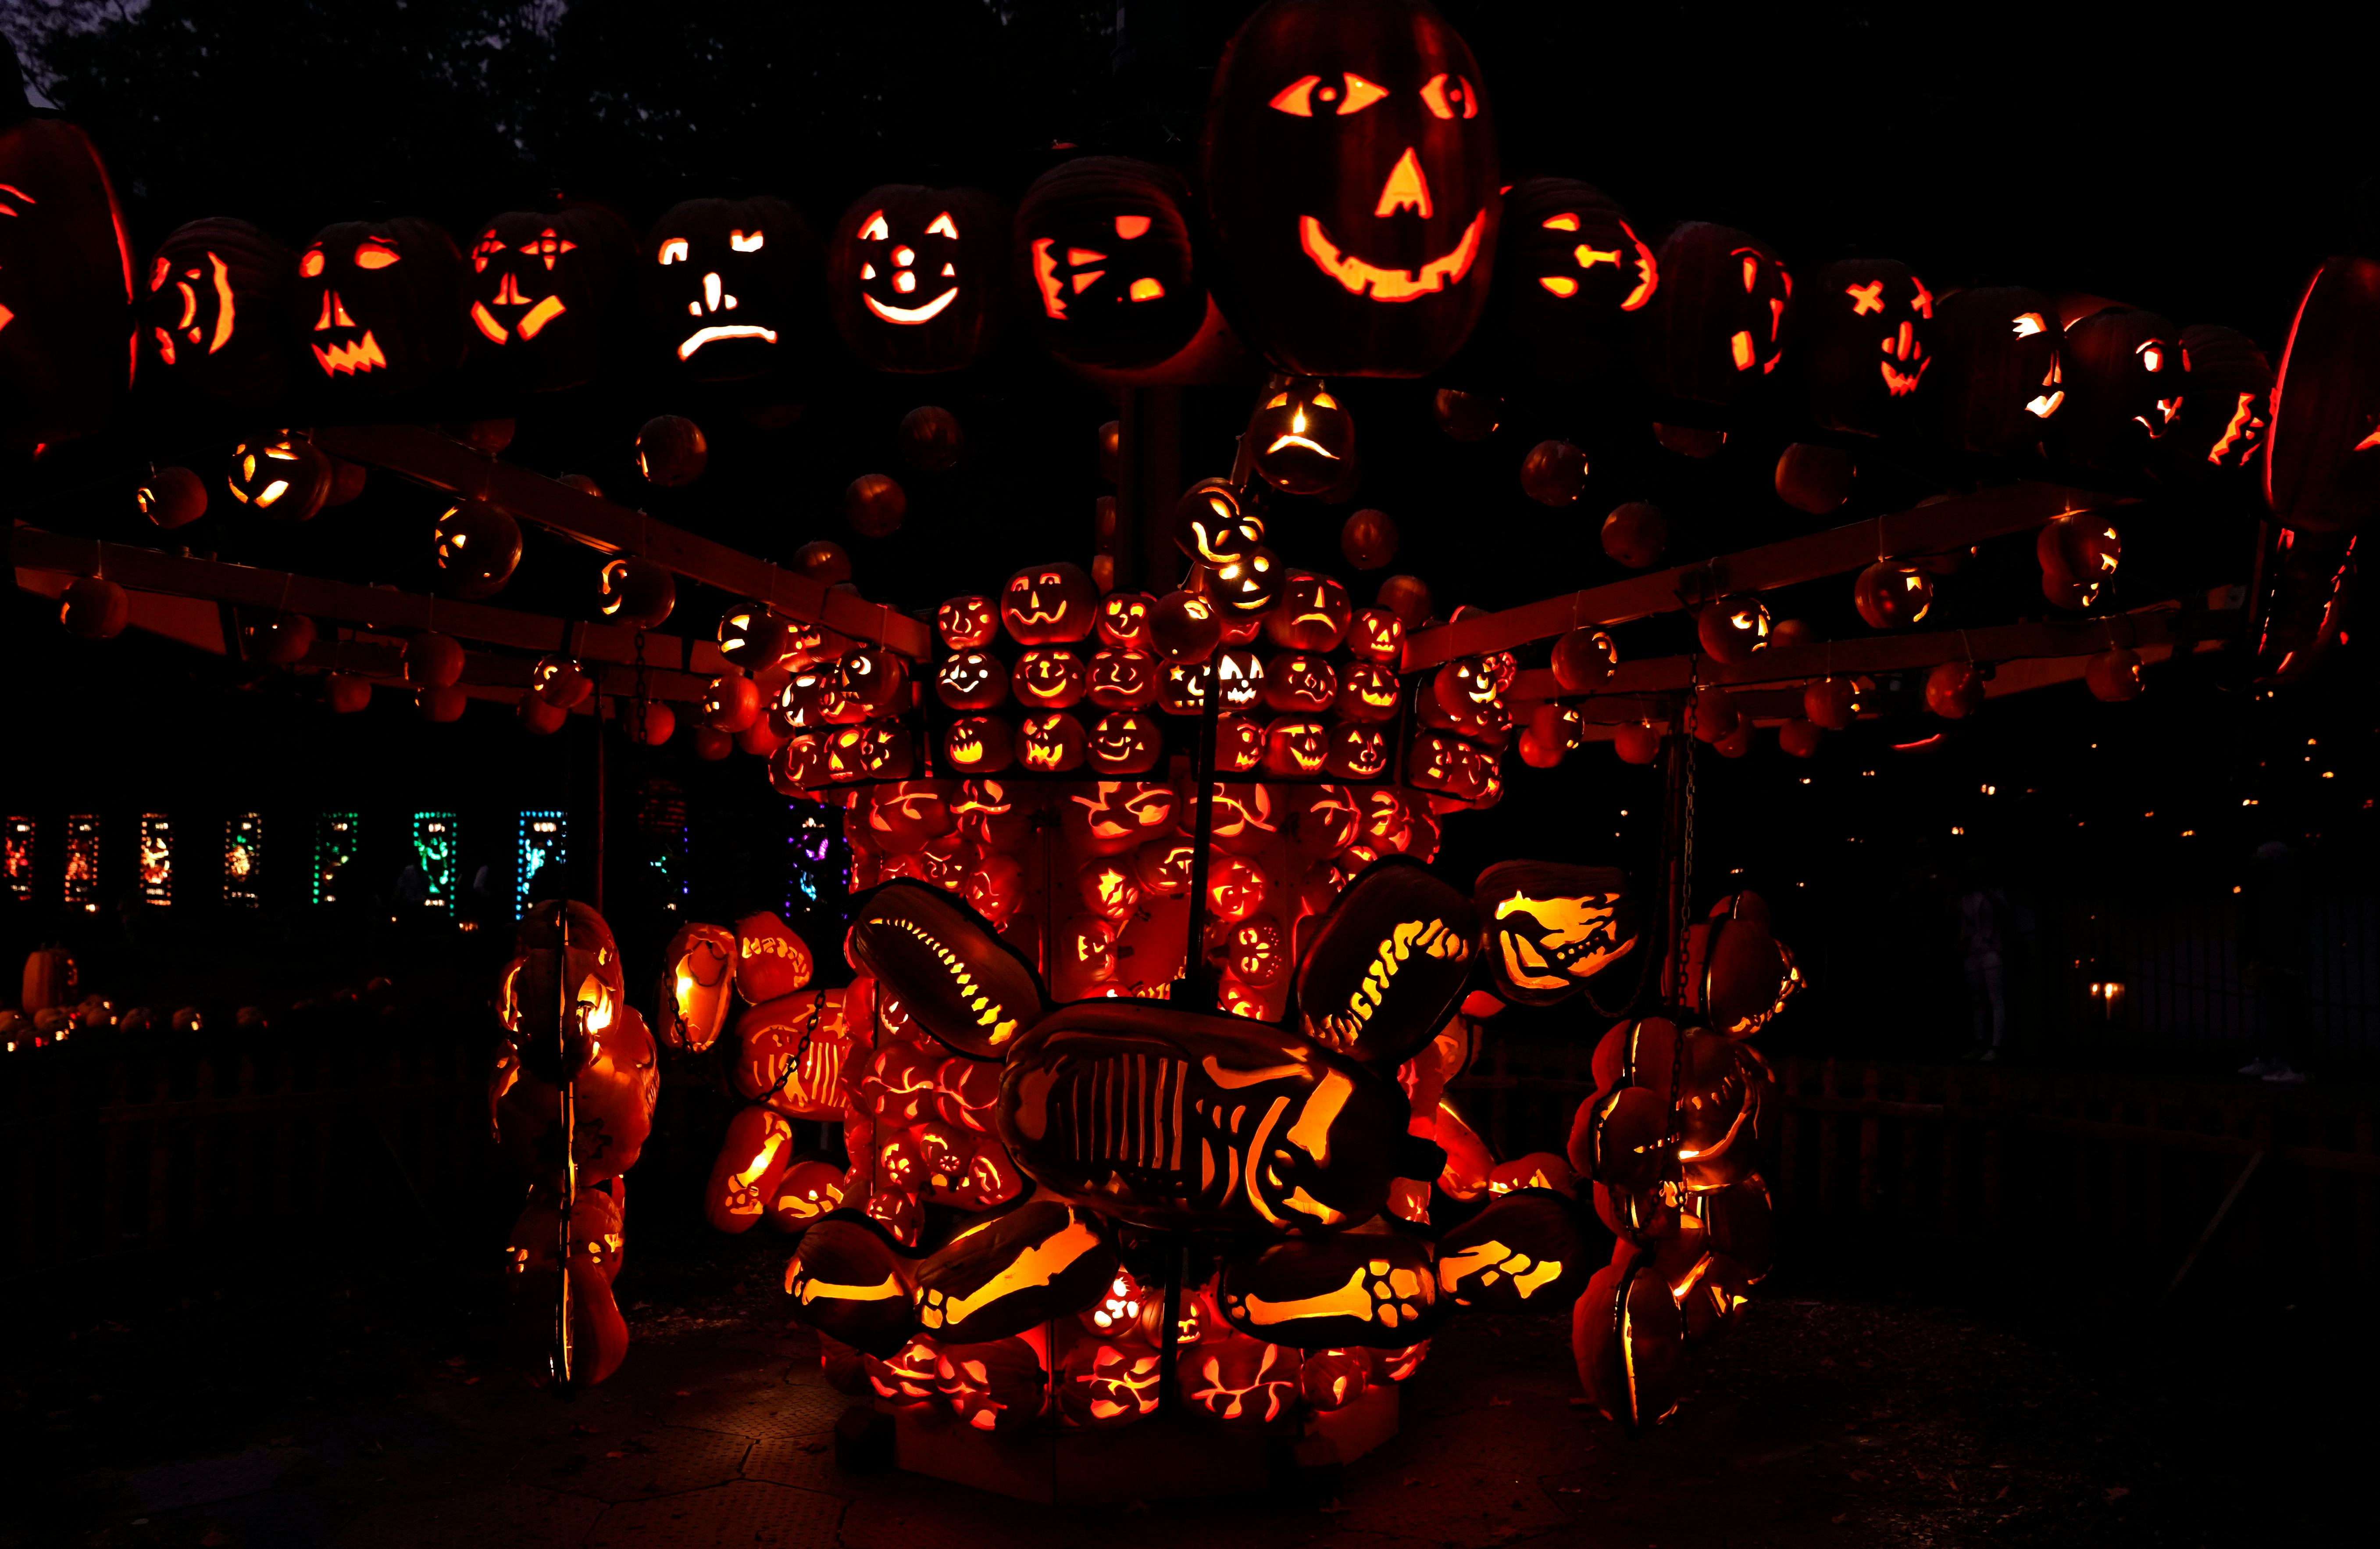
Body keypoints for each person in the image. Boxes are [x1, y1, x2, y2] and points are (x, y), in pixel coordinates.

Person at [2238, 841, 2310, 1084]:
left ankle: (2290, 1064)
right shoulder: (2281, 887)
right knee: (2277, 1009)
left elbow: (2274, 923)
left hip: (2279, 954)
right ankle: (2278, 1061)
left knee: (2282, 1009)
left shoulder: (2277, 889)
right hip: (2278, 953)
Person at [1955, 880, 2009, 1061]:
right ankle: (1981, 1043)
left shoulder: (1993, 893)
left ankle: (1996, 1046)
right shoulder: (1966, 896)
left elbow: (2003, 910)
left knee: (1994, 999)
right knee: (1978, 1001)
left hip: (1990, 948)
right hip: (1974, 950)